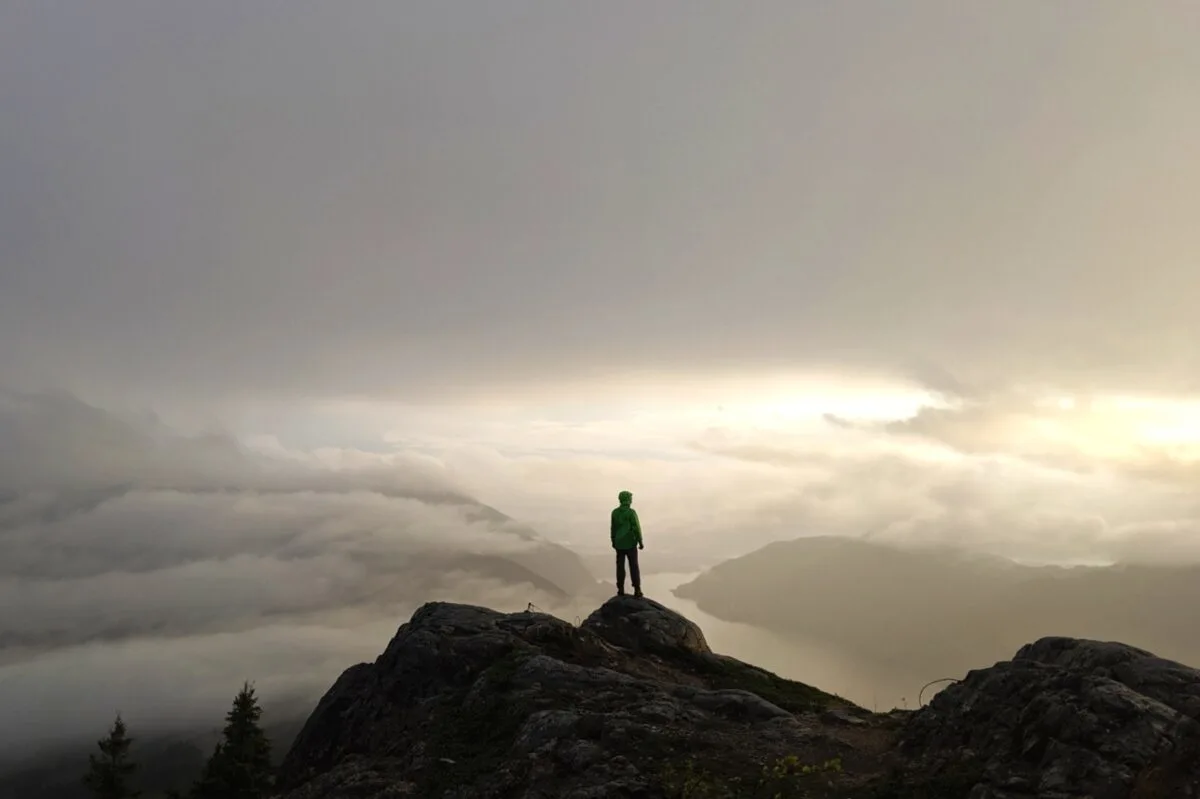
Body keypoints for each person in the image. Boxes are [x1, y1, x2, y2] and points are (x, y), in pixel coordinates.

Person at [610, 490, 644, 597]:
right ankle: (637, 590)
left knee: (620, 567)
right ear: (628, 500)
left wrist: (613, 541)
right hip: (630, 544)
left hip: (619, 544)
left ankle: (620, 589)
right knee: (633, 566)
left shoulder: (615, 513)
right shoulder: (631, 513)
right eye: (630, 498)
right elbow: (636, 528)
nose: (631, 500)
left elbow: (613, 528)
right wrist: (640, 541)